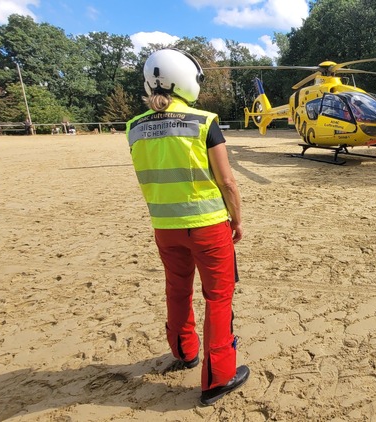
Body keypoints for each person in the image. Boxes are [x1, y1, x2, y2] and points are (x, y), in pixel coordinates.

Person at [126, 48, 249, 406]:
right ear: (185, 80)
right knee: (218, 297)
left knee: (177, 290)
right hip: (208, 226)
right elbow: (228, 182)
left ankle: (184, 352)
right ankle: (218, 377)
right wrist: (237, 220)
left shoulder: (133, 128)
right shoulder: (205, 122)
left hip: (165, 227)